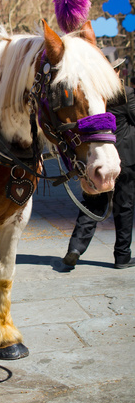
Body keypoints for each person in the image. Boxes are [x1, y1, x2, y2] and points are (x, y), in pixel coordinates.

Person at [63, 46, 135, 269]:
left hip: (97, 158)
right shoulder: (125, 94)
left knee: (93, 204)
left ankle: (75, 248)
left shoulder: (91, 96)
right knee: (124, 207)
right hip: (125, 159)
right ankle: (122, 256)